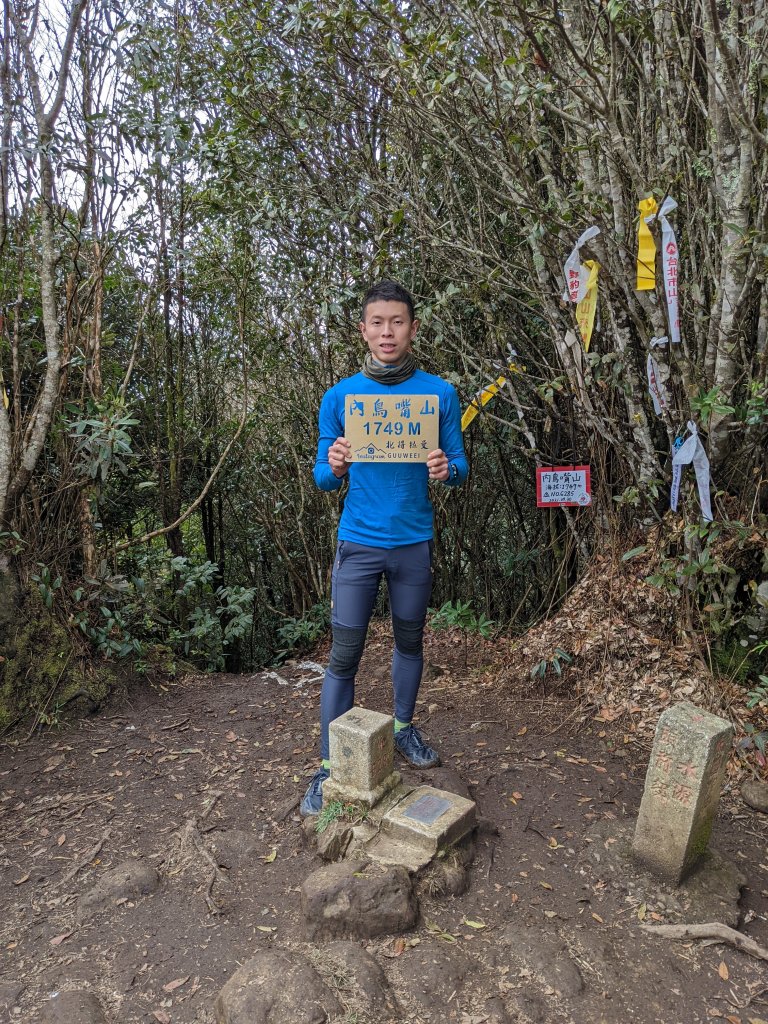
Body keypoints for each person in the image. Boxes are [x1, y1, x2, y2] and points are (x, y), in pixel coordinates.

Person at [300, 280, 468, 816]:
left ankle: (401, 727)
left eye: (397, 322)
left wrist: (447, 469)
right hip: (359, 544)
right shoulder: (340, 397)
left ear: (413, 329)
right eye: (378, 322)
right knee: (343, 656)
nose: (387, 332)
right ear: (364, 330)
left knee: (410, 643)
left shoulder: (438, 394)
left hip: (413, 543)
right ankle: (329, 767)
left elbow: (460, 467)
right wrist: (337, 465)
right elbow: (322, 478)